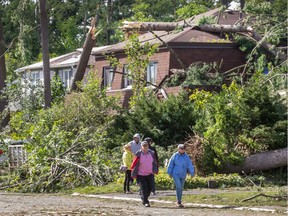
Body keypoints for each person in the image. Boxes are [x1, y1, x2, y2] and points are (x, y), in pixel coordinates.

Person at [131, 141, 158, 207]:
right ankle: (146, 202)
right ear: (141, 147)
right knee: (144, 188)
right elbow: (134, 164)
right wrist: (133, 172)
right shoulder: (139, 154)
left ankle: (144, 197)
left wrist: (156, 169)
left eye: (146, 146)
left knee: (150, 188)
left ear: (148, 146)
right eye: (144, 146)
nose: (145, 147)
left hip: (150, 173)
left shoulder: (151, 153)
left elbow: (154, 162)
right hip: (141, 174)